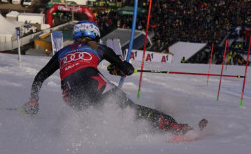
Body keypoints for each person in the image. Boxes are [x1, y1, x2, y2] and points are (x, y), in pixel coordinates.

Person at [22, 20, 192, 134]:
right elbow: (127, 69)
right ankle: (174, 126)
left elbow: (39, 77)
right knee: (132, 110)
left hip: (71, 95)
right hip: (96, 86)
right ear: (95, 34)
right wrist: (119, 70)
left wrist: (33, 101)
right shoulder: (98, 47)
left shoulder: (61, 52)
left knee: (99, 115)